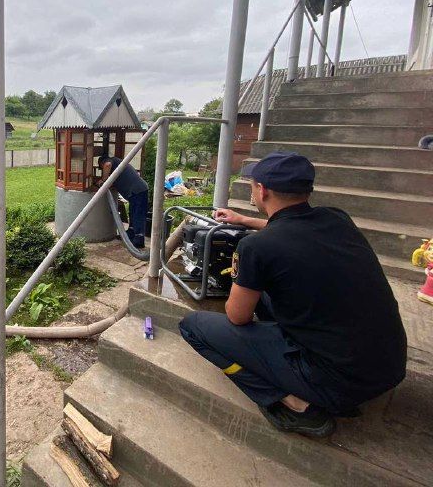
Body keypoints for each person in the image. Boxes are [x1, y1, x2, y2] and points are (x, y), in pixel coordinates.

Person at [178, 151, 406, 438]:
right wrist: (244, 220)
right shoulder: (337, 218)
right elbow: (289, 225)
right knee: (269, 294)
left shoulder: (257, 248)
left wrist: (244, 273)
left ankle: (294, 404)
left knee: (193, 327)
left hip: (337, 385)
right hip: (388, 367)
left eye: (252, 186)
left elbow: (237, 316)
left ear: (262, 190)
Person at [97, 153, 148, 248]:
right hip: (136, 191)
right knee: (132, 213)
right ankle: (130, 234)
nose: (103, 169)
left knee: (138, 214)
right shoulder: (117, 164)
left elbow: (107, 165)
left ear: (102, 163)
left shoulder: (110, 161)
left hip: (138, 190)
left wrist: (104, 180)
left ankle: (139, 240)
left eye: (101, 168)